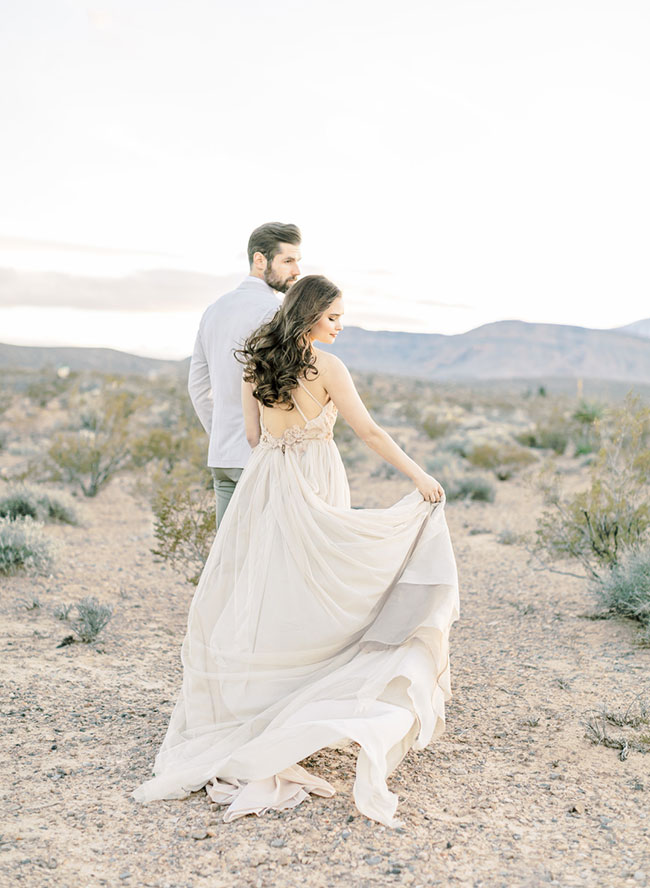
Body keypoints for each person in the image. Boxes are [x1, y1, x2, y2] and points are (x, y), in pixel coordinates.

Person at [134, 275, 459, 827]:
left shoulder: (257, 358)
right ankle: (304, 702)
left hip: (267, 480)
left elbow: (256, 436)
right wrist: (420, 476)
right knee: (317, 587)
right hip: (313, 476)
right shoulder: (328, 368)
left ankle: (267, 699)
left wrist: (284, 452)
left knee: (271, 588)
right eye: (333, 317)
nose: (339, 325)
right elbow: (371, 433)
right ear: (309, 316)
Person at [188, 221, 302, 525]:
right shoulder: (275, 313)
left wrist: (222, 432)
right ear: (260, 259)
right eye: (288, 260)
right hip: (259, 458)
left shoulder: (213, 310)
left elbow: (198, 388)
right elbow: (282, 388)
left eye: (297, 261)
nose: (297, 270)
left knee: (228, 561)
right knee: (265, 560)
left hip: (222, 457)